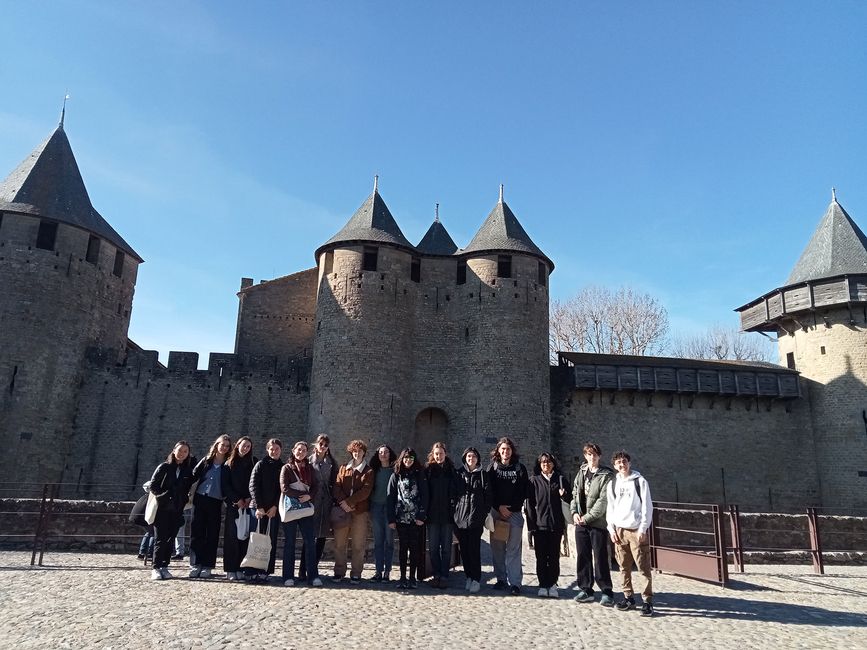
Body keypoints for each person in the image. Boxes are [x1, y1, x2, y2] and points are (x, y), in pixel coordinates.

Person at [606, 449, 654, 617]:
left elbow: (648, 507)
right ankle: (628, 597)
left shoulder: (640, 482)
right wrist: (611, 529)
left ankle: (647, 601)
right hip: (619, 530)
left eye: (624, 461)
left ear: (629, 463)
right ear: (615, 466)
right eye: (619, 462)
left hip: (635, 530)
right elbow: (610, 508)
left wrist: (643, 528)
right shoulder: (612, 484)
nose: (622, 464)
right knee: (624, 567)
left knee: (643, 567)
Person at [571, 442, 615, 606]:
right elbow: (575, 493)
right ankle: (586, 589)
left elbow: (603, 501)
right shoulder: (581, 472)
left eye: (595, 454)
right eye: (589, 454)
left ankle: (606, 590)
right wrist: (574, 512)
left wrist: (587, 517)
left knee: (600, 556)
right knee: (583, 556)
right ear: (585, 455)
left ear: (599, 456)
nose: (592, 457)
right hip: (580, 522)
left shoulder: (606, 475)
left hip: (597, 523)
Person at [525, 452, 571, 598]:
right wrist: (531, 526)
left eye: (549, 462)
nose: (546, 464)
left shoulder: (561, 480)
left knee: (554, 557)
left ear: (553, 464)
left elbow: (570, 499)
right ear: (539, 465)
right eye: (543, 462)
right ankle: (542, 584)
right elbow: (529, 505)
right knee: (541, 557)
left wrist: (564, 495)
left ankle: (552, 584)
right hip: (540, 526)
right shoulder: (534, 481)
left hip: (556, 525)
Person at [487, 436, 528, 595]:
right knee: (497, 547)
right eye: (503, 449)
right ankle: (501, 579)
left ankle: (515, 583)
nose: (505, 451)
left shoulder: (520, 468)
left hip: (515, 513)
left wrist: (511, 508)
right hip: (497, 513)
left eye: (508, 449)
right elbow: (489, 490)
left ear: (512, 451)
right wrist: (499, 507)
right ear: (498, 450)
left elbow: (523, 491)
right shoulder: (492, 468)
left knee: (514, 548)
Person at [147, 441, 194, 580]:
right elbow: (153, 486)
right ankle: (155, 567)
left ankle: (165, 566)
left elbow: (188, 487)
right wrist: (164, 497)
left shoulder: (186, 471)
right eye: (180, 450)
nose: (182, 454)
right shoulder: (164, 467)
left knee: (170, 538)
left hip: (177, 509)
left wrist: (184, 500)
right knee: (160, 539)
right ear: (174, 451)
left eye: (185, 451)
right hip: (162, 509)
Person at [188, 434, 232, 578]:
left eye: (227, 446)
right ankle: (195, 563)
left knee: (212, 534)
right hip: (200, 499)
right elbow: (193, 475)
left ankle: (207, 565)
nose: (224, 447)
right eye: (222, 444)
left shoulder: (229, 464)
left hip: (216, 501)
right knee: (197, 532)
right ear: (216, 445)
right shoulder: (206, 461)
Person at [332, 439, 374, 584]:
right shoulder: (343, 468)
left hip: (359, 512)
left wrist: (350, 502)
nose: (357, 454)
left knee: (358, 544)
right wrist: (344, 503)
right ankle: (339, 571)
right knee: (339, 543)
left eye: (360, 451)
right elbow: (336, 487)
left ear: (364, 453)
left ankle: (356, 573)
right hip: (343, 511)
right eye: (354, 451)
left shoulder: (368, 471)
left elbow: (366, 490)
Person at [280, 440, 322, 587]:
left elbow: (316, 485)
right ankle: (287, 576)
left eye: (304, 450)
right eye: (299, 449)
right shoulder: (286, 468)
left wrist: (309, 496)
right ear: (293, 450)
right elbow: (284, 488)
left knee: (310, 542)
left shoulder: (310, 468)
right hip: (291, 508)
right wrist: (302, 495)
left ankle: (313, 576)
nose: (301, 452)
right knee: (290, 543)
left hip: (305, 510)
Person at [387, 447, 427, 590]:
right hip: (401, 517)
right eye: (405, 458)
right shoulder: (396, 475)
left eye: (410, 458)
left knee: (415, 548)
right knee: (403, 548)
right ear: (401, 459)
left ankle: (412, 578)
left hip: (415, 517)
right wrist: (391, 518)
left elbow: (425, 495)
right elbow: (390, 497)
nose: (408, 460)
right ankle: (403, 577)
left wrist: (422, 515)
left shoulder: (419, 474)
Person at [299, 434, 336, 582]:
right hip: (311, 501)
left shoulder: (332, 463)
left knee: (321, 537)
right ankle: (303, 569)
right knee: (308, 537)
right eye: (321, 444)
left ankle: (313, 568)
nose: (323, 447)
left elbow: (334, 482)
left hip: (325, 503)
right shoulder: (308, 461)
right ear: (316, 445)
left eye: (325, 445)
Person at [454, 446, 491, 594]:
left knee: (474, 550)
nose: (471, 459)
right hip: (461, 519)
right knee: (464, 551)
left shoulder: (483, 475)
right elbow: (454, 494)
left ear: (477, 459)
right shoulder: (459, 473)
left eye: (474, 456)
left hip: (476, 519)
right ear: (465, 458)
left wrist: (483, 514)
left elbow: (488, 496)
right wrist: (455, 513)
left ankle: (476, 579)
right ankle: (469, 576)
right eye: (469, 457)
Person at [247, 438, 283, 581]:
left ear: (281, 450)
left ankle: (266, 570)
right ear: (267, 449)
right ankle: (251, 570)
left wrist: (275, 506)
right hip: (258, 509)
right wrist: (259, 506)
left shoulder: (283, 467)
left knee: (270, 541)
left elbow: (282, 490)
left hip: (273, 510)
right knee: (255, 539)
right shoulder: (260, 465)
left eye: (277, 449)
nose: (274, 451)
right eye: (271, 449)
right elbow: (253, 486)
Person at [222, 436, 256, 581]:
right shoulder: (228, 463)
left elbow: (254, 481)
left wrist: (248, 498)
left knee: (244, 537)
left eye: (248, 446)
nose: (246, 448)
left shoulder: (253, 462)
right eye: (244, 446)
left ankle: (241, 567)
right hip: (234, 504)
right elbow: (225, 485)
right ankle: (230, 568)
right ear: (238, 446)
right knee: (231, 537)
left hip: (247, 505)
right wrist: (237, 499)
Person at [425, 441, 457, 588]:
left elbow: (457, 492)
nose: (439, 456)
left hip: (447, 515)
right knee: (432, 548)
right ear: (433, 454)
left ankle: (444, 575)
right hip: (432, 515)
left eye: (441, 453)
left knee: (446, 547)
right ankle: (436, 574)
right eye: (436, 454)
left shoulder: (451, 470)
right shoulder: (428, 470)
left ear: (445, 454)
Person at [369, 444, 396, 582]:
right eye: (381, 452)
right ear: (378, 455)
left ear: (390, 454)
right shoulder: (374, 471)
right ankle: (378, 571)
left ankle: (387, 572)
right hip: (376, 508)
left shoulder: (395, 471)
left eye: (386, 452)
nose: (383, 454)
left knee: (389, 542)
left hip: (390, 509)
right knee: (378, 542)